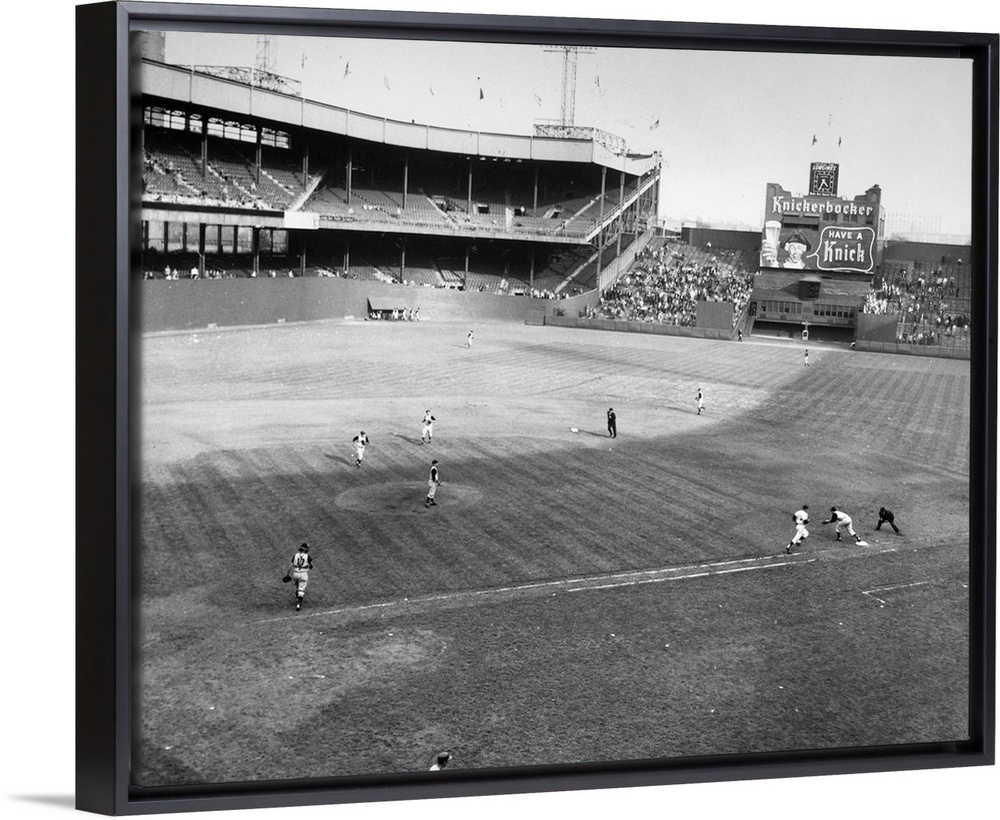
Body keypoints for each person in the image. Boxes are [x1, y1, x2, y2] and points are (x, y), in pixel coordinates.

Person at [287, 543, 314, 612]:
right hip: (303, 574)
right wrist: (309, 565)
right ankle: (298, 604)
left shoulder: (295, 555)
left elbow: (291, 565)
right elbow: (311, 566)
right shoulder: (307, 556)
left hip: (295, 574)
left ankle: (297, 597)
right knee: (301, 589)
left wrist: (287, 574)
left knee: (297, 586)